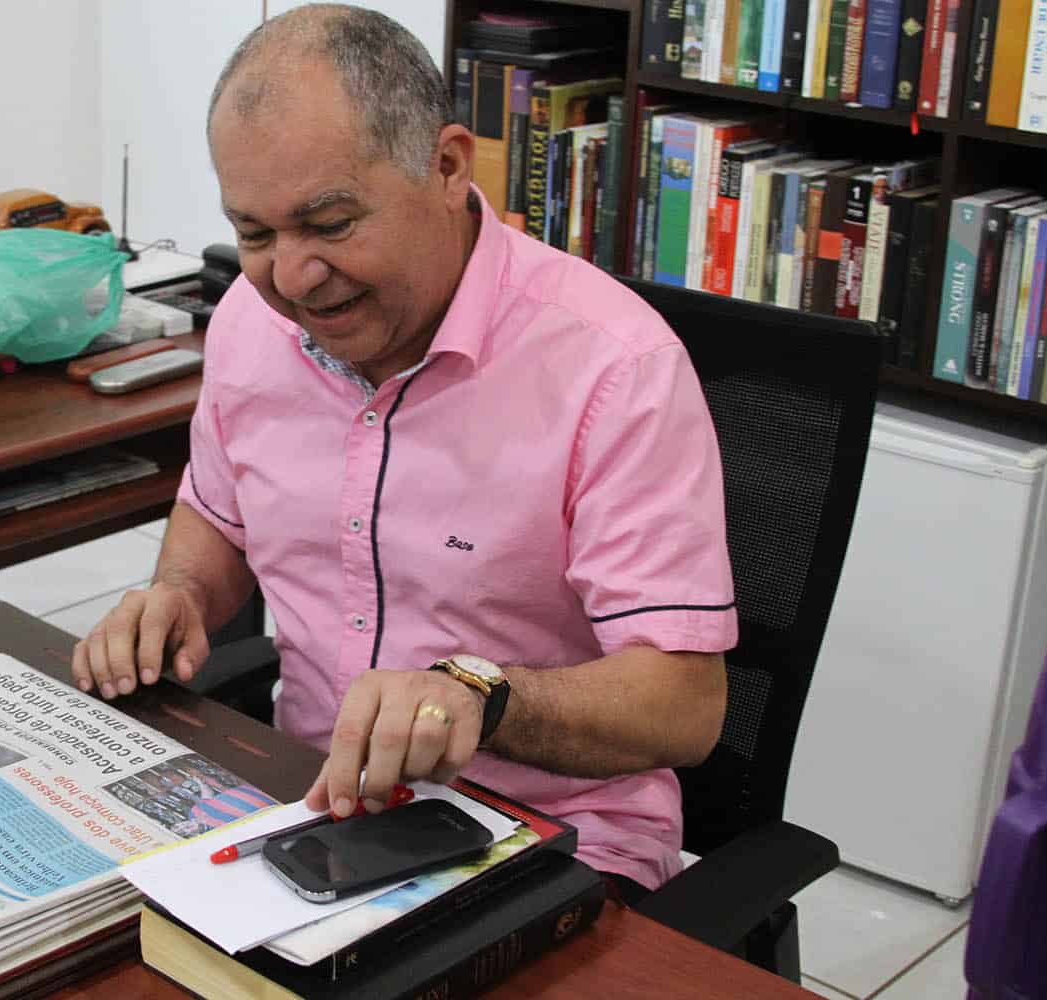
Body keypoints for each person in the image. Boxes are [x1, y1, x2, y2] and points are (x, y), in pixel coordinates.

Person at [71, 3, 736, 897]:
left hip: (549, 840)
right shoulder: (247, 323)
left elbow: (684, 708)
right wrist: (180, 597)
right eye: (257, 234)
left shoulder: (615, 370)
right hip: (306, 806)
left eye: (332, 223)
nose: (294, 278)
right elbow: (218, 514)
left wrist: (481, 698)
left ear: (448, 165)